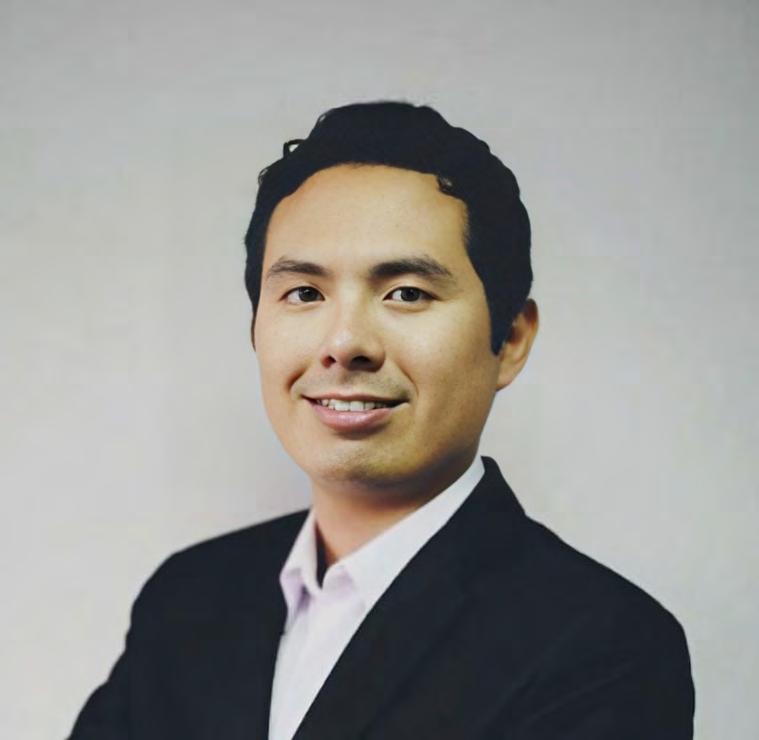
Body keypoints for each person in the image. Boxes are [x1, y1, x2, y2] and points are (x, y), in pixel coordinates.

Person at [68, 101, 695, 739]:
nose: (345, 343)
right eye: (304, 293)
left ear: (510, 339)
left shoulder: (603, 647)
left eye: (407, 293)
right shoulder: (188, 599)